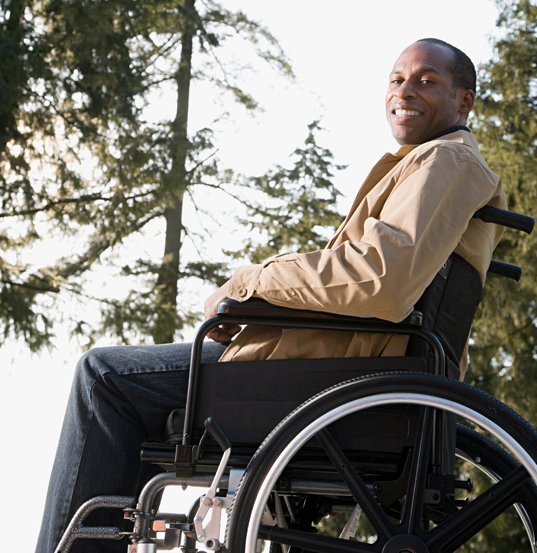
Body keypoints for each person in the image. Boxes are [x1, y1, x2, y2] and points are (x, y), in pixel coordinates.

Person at [36, 38, 506, 553]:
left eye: (426, 79)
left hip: (330, 375)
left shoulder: (447, 159)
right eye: (397, 79)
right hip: (334, 367)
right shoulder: (429, 162)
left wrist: (250, 282)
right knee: (136, 406)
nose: (405, 90)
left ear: (465, 100)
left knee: (103, 377)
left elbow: (381, 282)